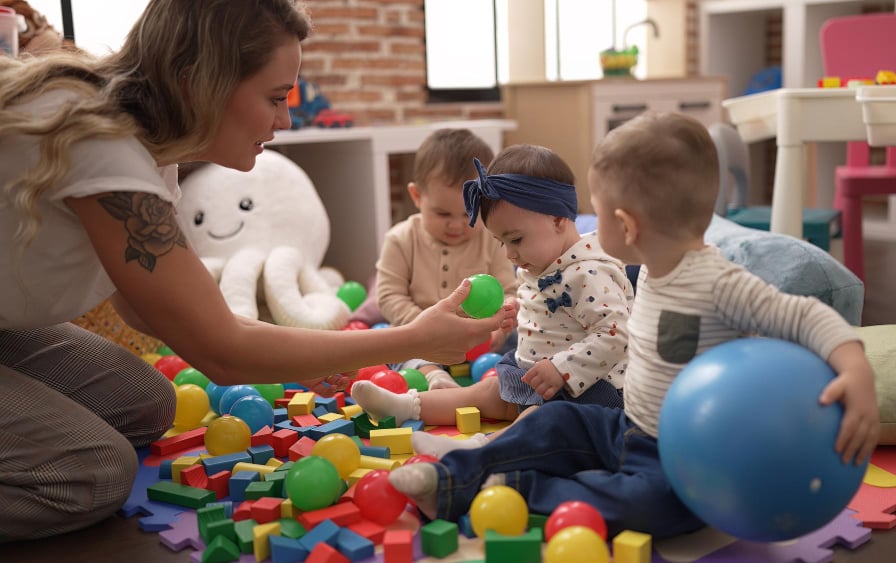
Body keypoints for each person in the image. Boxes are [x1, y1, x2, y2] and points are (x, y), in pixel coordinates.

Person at [0, 0, 513, 542]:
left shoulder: (153, 148)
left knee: (147, 403)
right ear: (199, 82)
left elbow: (154, 306)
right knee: (95, 473)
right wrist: (411, 339)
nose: (285, 119)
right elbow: (221, 350)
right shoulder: (103, 145)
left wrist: (300, 352)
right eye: (274, 97)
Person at [387, 111, 880, 540]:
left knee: (657, 507)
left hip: (680, 455)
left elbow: (804, 313)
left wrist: (855, 368)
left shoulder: (718, 281)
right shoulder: (649, 270)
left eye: (594, 215)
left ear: (627, 225)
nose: (585, 226)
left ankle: (514, 492)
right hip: (624, 425)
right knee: (552, 421)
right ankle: (453, 475)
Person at [351, 144, 633, 457]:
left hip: (586, 390)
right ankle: (405, 406)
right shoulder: (543, 259)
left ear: (557, 220)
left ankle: (476, 451)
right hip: (535, 375)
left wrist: (562, 369)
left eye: (515, 240)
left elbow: (615, 334)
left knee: (540, 420)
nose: (509, 254)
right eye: (502, 242)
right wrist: (514, 310)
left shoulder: (590, 272)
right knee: (485, 391)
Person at [370, 128, 518, 390]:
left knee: (523, 339)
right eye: (442, 213)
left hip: (481, 339)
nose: (457, 225)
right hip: (421, 336)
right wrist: (422, 328)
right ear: (417, 196)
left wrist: (500, 325)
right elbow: (389, 297)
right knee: (391, 346)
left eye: (468, 213)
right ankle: (435, 377)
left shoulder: (492, 238)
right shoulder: (401, 239)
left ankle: (502, 381)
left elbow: (509, 291)